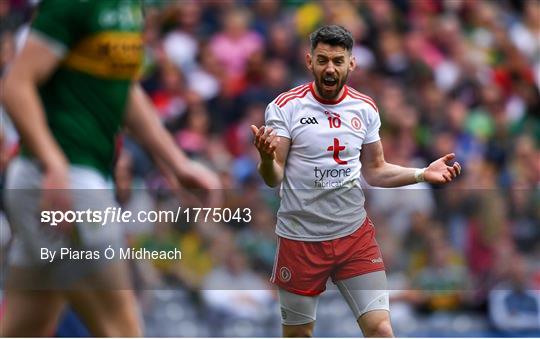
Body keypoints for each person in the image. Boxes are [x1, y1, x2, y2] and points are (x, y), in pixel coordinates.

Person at [0, 0, 220, 336]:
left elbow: (123, 87)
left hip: (67, 178)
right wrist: (54, 164)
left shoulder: (129, 7)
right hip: (65, 184)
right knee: (121, 328)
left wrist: (177, 163)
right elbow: (16, 86)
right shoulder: (75, 5)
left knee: (26, 328)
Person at [251, 25, 461, 337]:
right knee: (299, 334)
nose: (330, 68)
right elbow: (273, 177)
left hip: (353, 237)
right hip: (300, 240)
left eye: (338, 60)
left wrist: (421, 174)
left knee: (380, 329)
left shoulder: (364, 108)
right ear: (309, 62)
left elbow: (375, 170)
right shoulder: (286, 106)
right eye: (322, 60)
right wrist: (267, 159)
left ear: (352, 64)